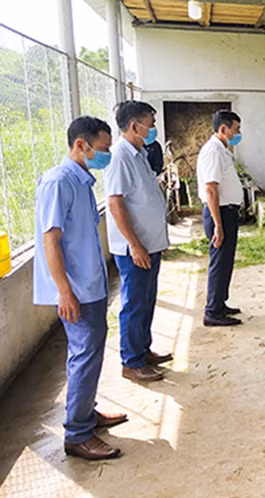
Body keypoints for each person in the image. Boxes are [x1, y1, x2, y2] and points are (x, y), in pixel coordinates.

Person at [33, 116, 127, 460]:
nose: (105, 156)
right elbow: (50, 239)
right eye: (102, 149)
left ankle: (87, 415)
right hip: (76, 291)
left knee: (90, 355)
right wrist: (64, 291)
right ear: (81, 145)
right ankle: (77, 435)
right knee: (84, 358)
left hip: (91, 286)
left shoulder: (81, 182)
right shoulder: (58, 182)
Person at [104, 101, 172, 382]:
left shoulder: (139, 153)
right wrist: (135, 244)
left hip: (149, 243)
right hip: (135, 249)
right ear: (135, 126)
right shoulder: (119, 157)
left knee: (147, 300)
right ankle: (131, 362)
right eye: (151, 123)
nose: (154, 129)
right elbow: (115, 203)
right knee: (134, 303)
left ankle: (143, 351)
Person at [197, 110, 244, 327]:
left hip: (227, 212)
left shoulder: (222, 150)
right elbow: (211, 190)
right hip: (220, 213)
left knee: (226, 262)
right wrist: (218, 225)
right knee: (219, 261)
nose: (238, 133)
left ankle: (220, 303)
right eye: (236, 129)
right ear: (223, 129)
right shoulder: (212, 152)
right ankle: (212, 312)